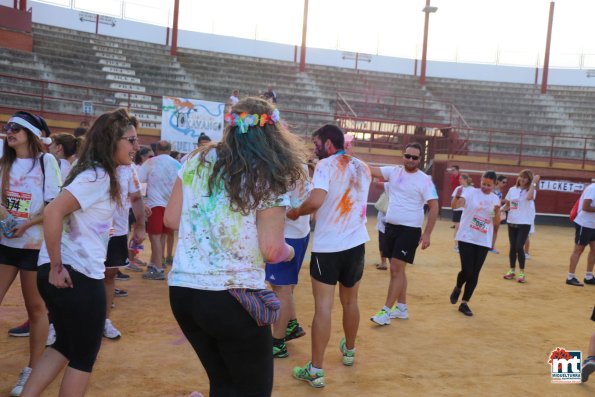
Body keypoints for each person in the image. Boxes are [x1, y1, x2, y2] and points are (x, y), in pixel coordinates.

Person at [164, 97, 306, 396]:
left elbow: (171, 218)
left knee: (224, 383)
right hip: (234, 297)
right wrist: (292, 251)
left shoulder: (195, 159)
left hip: (184, 292)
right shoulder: (268, 173)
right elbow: (273, 251)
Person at [20, 108, 137, 397]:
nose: (137, 147)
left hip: (62, 273)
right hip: (77, 276)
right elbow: (53, 212)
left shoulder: (91, 173)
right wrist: (58, 265)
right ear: (112, 141)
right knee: (83, 357)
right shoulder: (97, 176)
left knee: (63, 346)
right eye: (131, 140)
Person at [287, 124, 371, 388]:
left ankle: (316, 370)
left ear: (328, 143)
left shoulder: (325, 166)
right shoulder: (362, 166)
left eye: (316, 143)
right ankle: (350, 350)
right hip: (356, 244)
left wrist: (295, 212)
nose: (315, 148)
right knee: (350, 301)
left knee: (323, 307)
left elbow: (315, 201)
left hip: (328, 247)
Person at [0, 111, 61, 397]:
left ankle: (33, 369)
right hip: (4, 242)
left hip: (34, 246)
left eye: (15, 128)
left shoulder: (46, 162)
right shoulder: (4, 159)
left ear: (31, 134)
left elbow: (53, 203)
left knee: (35, 309)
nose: (8, 131)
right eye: (7, 127)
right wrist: (5, 217)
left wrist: (25, 223)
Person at [369, 142, 439, 326]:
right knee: (399, 271)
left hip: (409, 230)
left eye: (414, 157)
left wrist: (427, 233)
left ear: (420, 160)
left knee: (395, 269)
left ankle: (386, 311)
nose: (410, 160)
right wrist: (347, 157)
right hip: (391, 227)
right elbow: (371, 170)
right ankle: (401, 308)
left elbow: (434, 206)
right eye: (407, 156)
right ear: (403, 155)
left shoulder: (425, 180)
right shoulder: (394, 171)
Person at [102, 118, 146, 340]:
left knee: (109, 276)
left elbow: (136, 198)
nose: (137, 147)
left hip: (116, 231)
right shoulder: (88, 167)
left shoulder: (129, 169)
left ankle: (104, 320)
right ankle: (58, 323)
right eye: (132, 140)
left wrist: (139, 226)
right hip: (86, 236)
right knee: (79, 277)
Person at [266, 164, 311, 359]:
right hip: (299, 233)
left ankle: (277, 342)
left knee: (281, 288)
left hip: (287, 234)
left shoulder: (282, 166)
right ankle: (291, 324)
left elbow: (285, 206)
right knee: (286, 286)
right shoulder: (299, 165)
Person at [449, 171, 501, 316]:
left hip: (483, 240)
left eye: (489, 185)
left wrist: (496, 212)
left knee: (475, 272)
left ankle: (464, 302)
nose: (485, 187)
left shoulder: (495, 199)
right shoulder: (471, 192)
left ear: (494, 185)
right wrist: (458, 196)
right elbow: (455, 205)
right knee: (467, 270)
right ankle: (458, 286)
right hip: (466, 236)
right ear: (480, 181)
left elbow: (495, 222)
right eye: (483, 183)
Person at [137, 140, 181, 280]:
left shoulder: (150, 163)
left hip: (155, 204)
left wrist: (142, 201)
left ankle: (158, 268)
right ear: (170, 149)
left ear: (156, 149)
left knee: (154, 237)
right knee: (161, 236)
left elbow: (139, 181)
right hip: (170, 205)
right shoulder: (177, 165)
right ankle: (155, 263)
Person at [501, 169, 539, 283]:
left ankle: (522, 272)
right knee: (513, 247)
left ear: (529, 180)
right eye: (521, 176)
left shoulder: (531, 190)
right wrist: (499, 211)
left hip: (524, 222)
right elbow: (508, 205)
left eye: (525, 177)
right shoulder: (512, 189)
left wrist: (534, 183)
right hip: (512, 220)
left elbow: (529, 197)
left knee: (518, 247)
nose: (522, 179)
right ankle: (512, 270)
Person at [566, 182, 595, 286]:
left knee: (594, 250)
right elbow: (585, 207)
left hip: (593, 224)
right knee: (579, 249)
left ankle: (589, 276)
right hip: (584, 223)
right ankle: (570, 277)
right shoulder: (593, 188)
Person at [451, 173, 472, 252]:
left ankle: (463, 245)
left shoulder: (471, 189)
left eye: (461, 178)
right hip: (457, 210)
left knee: (465, 228)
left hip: (466, 211)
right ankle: (456, 245)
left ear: (465, 180)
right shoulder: (458, 188)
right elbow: (453, 199)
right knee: (458, 228)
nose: (459, 180)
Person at [490, 174, 508, 254]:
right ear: (498, 181)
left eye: (505, 183)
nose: (504, 184)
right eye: (503, 182)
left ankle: (491, 246)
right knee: (489, 228)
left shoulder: (499, 191)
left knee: (495, 229)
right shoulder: (492, 189)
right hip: (491, 211)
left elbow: (499, 202)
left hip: (497, 211)